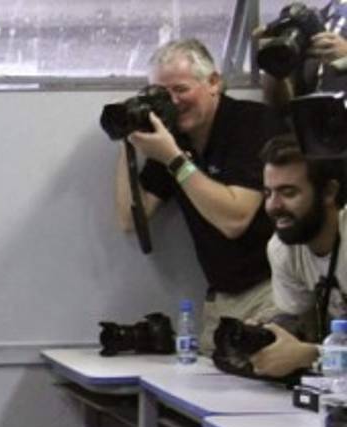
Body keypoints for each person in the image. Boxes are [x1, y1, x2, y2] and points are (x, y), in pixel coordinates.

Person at [114, 39, 283, 353]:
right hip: (221, 300)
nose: (173, 103)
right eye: (162, 95)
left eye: (181, 90)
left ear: (214, 83)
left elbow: (235, 219)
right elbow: (130, 217)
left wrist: (175, 160)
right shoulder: (172, 139)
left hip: (272, 289)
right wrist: (128, 142)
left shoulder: (251, 123)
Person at [251, 134, 347, 377]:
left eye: (288, 192)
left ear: (329, 192)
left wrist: (312, 355)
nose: (273, 206)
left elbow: (309, 352)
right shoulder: (283, 248)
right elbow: (296, 320)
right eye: (268, 193)